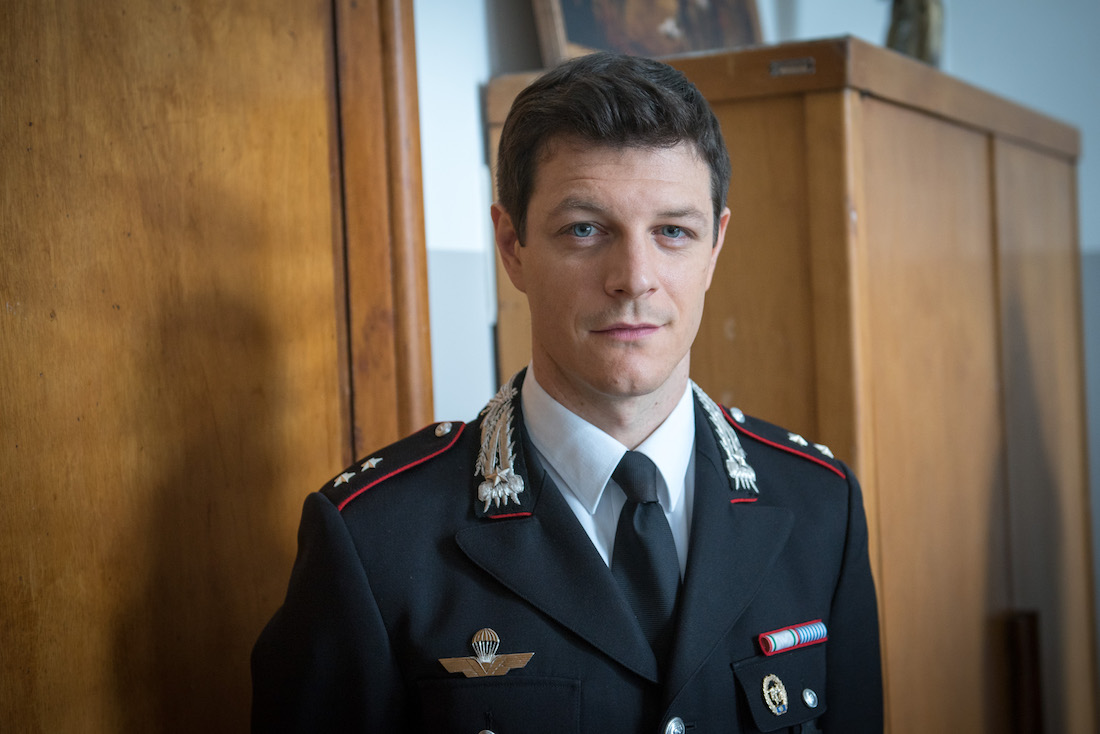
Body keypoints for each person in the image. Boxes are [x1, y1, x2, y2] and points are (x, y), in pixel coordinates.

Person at [251, 52, 882, 733]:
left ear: (714, 248)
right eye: (585, 229)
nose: (634, 277)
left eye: (673, 232)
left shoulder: (821, 506)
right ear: (512, 246)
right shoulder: (374, 539)